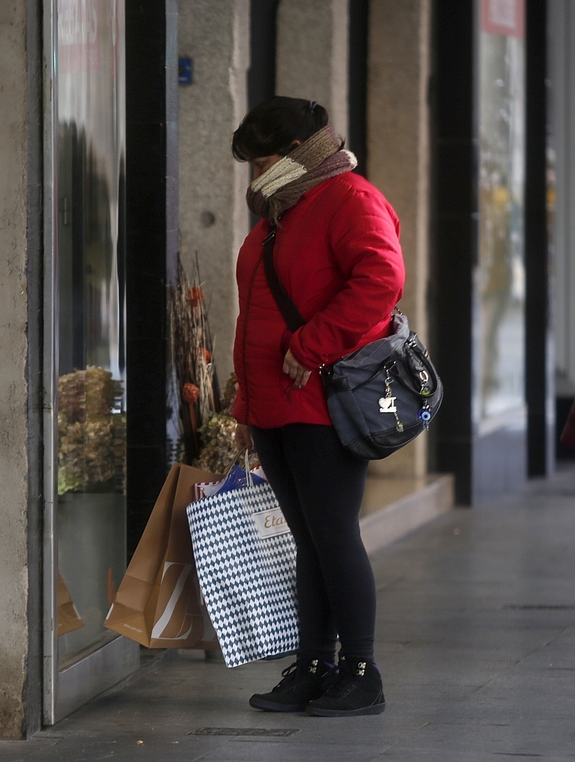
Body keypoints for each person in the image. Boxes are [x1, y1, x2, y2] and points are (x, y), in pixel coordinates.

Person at [230, 96, 405, 717]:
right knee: (308, 540)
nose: (256, 176)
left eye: (265, 160)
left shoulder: (350, 200)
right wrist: (246, 402)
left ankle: (362, 672)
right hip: (276, 402)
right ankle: (313, 666)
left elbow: (380, 282)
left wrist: (313, 344)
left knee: (332, 536)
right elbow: (258, 310)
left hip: (323, 400)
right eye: (251, 164)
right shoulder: (283, 210)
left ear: (302, 153)